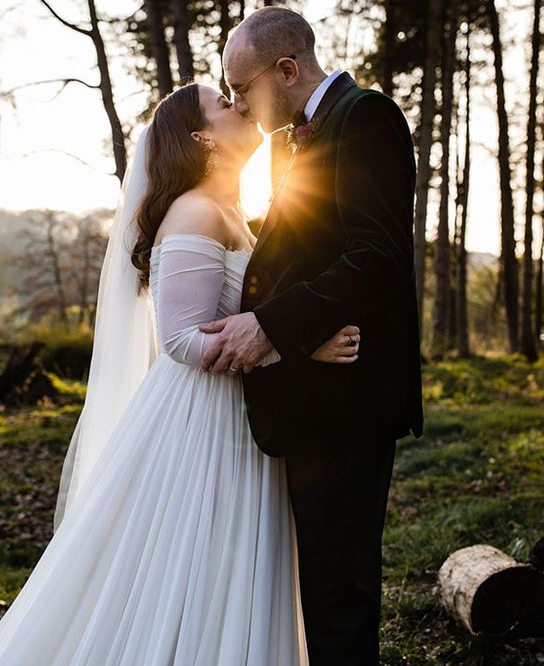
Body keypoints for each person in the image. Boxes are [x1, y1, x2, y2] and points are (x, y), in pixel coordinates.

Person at [0, 82, 360, 665]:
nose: (241, 106)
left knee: (227, 559)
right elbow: (180, 339)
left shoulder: (228, 210)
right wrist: (294, 349)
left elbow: (242, 315)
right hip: (202, 419)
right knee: (200, 558)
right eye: (225, 104)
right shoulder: (194, 210)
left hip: (239, 412)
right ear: (201, 137)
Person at [199, 7, 424, 665]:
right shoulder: (299, 137)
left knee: (338, 597)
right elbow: (309, 252)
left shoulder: (366, 117)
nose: (239, 104)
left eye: (243, 88)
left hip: (348, 401)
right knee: (320, 589)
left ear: (287, 69)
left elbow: (377, 256)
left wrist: (271, 324)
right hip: (316, 394)